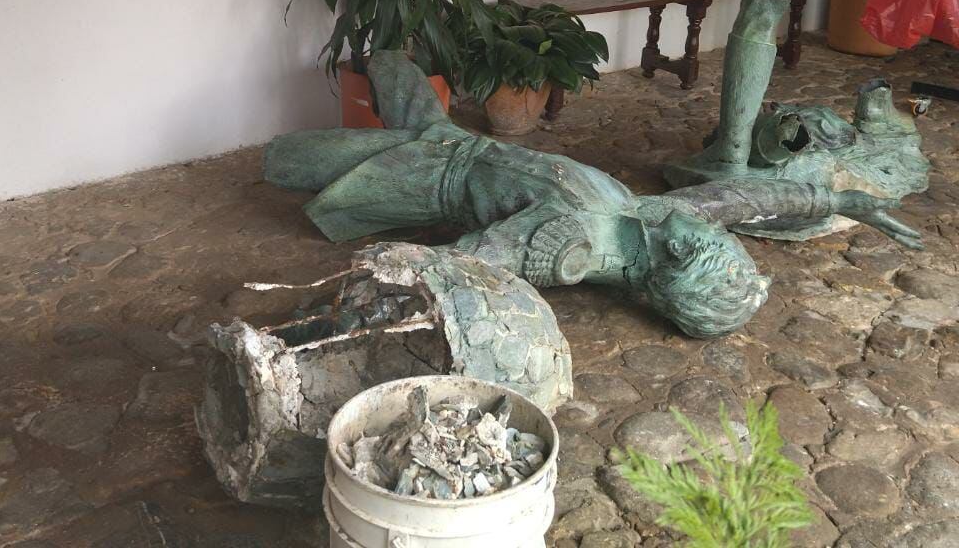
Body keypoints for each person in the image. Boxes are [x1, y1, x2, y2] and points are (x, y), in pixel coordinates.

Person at [264, 51, 923, 338]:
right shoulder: (656, 222)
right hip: (460, 139)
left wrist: (342, 304)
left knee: (286, 161)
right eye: (717, 237)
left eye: (709, 242)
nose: (710, 224)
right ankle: (386, 78)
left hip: (427, 174)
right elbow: (743, 199)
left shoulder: (569, 249)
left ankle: (342, 170)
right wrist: (840, 203)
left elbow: (462, 263)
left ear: (675, 264)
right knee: (387, 60)